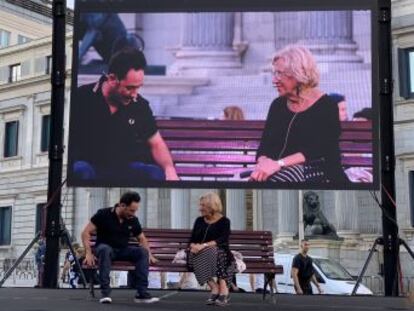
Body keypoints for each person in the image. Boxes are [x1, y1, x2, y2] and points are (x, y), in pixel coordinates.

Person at [69, 47, 179, 184]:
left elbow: (156, 143)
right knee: (80, 169)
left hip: (125, 169)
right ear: (112, 79)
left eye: (138, 87)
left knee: (154, 173)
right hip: (91, 168)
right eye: (129, 88)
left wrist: (169, 169)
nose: (134, 94)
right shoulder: (82, 98)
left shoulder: (140, 106)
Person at [250, 45, 348, 184]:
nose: (274, 80)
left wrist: (278, 164)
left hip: (316, 173)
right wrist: (264, 164)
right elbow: (265, 146)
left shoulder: (327, 106)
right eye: (274, 73)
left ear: (298, 74)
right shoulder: (277, 105)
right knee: (254, 180)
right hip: (278, 172)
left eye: (280, 73)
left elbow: (316, 150)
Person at [82, 191, 159, 304]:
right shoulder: (103, 214)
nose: (133, 213)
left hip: (123, 250)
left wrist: (149, 254)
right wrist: (88, 253)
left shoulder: (133, 219)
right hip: (105, 248)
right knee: (105, 250)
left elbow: (142, 239)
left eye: (135, 210)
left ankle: (141, 293)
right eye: (131, 210)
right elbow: (85, 233)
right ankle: (105, 293)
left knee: (142, 252)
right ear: (122, 205)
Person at [188, 192, 236, 306]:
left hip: (219, 252)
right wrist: (193, 246)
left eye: (203, 206)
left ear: (212, 206)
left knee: (215, 252)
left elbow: (222, 240)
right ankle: (215, 287)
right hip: (197, 254)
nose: (200, 209)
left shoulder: (225, 221)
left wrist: (203, 246)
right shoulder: (199, 221)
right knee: (196, 255)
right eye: (200, 205)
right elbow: (192, 240)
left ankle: (223, 287)